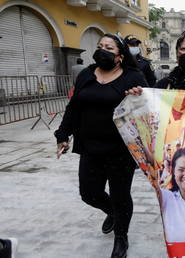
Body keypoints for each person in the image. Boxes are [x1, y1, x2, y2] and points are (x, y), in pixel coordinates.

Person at [54, 33, 148, 258]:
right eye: (100, 46)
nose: (102, 50)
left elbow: (148, 107)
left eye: (109, 47)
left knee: (120, 195)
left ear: (120, 55)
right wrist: (62, 135)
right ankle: (112, 212)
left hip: (120, 150)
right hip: (89, 146)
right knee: (89, 193)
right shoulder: (87, 74)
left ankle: (121, 238)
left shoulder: (132, 76)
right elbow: (74, 107)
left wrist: (139, 96)